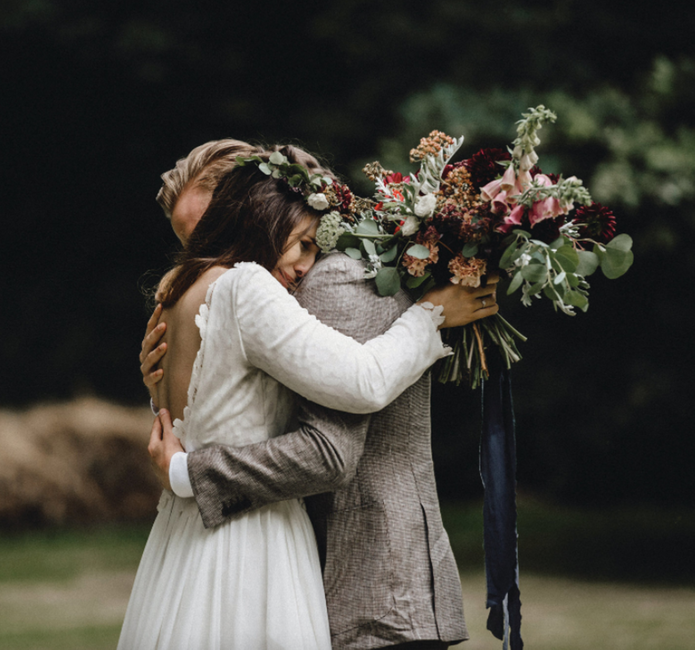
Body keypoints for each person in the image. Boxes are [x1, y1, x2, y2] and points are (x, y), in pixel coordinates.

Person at [118, 147, 495, 650]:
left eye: (208, 228)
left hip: (238, 550)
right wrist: (431, 317)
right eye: (189, 242)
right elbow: (354, 399)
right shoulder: (242, 286)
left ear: (251, 204)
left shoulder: (184, 292)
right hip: (253, 544)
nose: (205, 255)